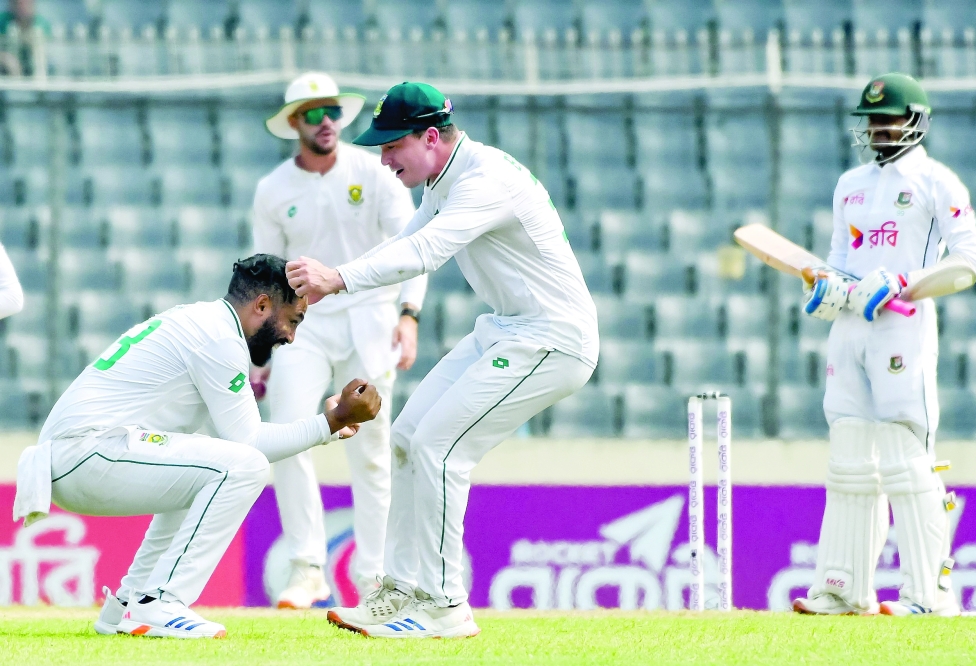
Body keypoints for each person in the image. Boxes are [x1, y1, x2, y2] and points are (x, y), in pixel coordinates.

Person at [286, 82, 599, 638]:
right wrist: (331, 285)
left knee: (440, 448)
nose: (382, 160)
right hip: (508, 328)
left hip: (553, 337)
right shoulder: (442, 175)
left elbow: (425, 253)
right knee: (406, 435)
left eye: (391, 146)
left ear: (431, 137)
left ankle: (446, 606)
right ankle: (401, 591)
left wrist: (337, 279)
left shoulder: (483, 180)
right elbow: (402, 245)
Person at [12, 254, 382, 638]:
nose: (291, 337)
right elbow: (250, 443)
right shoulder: (219, 338)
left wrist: (331, 427)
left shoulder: (205, 323)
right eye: (293, 320)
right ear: (261, 305)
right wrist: (332, 421)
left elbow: (227, 442)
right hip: (85, 453)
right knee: (245, 466)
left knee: (209, 467)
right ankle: (161, 602)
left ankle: (129, 602)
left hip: (77, 455)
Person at [793, 73, 976, 617]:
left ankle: (929, 596)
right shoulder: (849, 183)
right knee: (849, 457)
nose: (878, 127)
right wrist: (827, 287)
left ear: (916, 121)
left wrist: (905, 284)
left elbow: (969, 261)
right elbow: (838, 261)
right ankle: (842, 588)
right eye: (872, 119)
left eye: (889, 117)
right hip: (850, 330)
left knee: (905, 457)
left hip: (903, 326)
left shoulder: (936, 182)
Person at [254, 72, 427, 608]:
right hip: (303, 325)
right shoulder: (273, 189)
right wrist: (259, 351)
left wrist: (408, 314)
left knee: (372, 450)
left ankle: (372, 576)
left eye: (330, 110)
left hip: (371, 319)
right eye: (311, 113)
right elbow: (266, 278)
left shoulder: (372, 173)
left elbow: (412, 244)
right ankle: (307, 568)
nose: (324, 120)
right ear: (293, 125)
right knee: (285, 434)